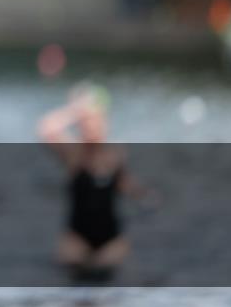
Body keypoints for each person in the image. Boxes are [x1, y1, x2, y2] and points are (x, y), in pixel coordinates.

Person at [37, 83, 151, 280]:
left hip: (110, 239)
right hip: (77, 238)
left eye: (94, 121)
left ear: (104, 121)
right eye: (85, 122)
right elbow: (46, 128)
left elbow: (124, 183)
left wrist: (144, 196)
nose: (90, 127)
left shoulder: (115, 154)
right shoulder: (74, 154)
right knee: (71, 268)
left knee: (114, 271)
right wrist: (75, 110)